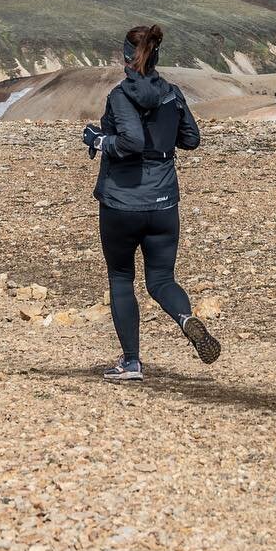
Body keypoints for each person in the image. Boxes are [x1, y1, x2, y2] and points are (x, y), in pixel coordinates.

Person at [82, 23, 220, 380]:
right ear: (156, 55)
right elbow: (191, 139)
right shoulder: (172, 94)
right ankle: (186, 318)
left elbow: (129, 142)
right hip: (163, 203)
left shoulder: (119, 95)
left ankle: (130, 362)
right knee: (161, 280)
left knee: (121, 278)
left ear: (126, 57)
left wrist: (100, 142)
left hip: (121, 203)